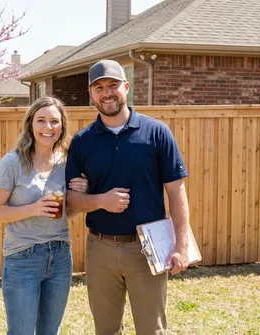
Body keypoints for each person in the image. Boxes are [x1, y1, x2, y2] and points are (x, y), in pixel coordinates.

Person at [65, 59, 190, 335]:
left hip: (146, 248)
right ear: (91, 94)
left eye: (112, 85)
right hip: (100, 250)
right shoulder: (82, 142)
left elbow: (176, 190)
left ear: (126, 87)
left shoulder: (156, 133)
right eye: (99, 88)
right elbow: (71, 201)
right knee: (106, 330)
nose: (106, 93)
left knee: (151, 329)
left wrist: (181, 245)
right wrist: (100, 201)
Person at [0, 97, 88, 335]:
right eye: (41, 120)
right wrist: (33, 208)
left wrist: (81, 195)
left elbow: (67, 212)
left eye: (54, 121)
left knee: (50, 331)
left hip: (61, 256)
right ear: (30, 124)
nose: (48, 127)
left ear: (62, 126)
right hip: (23, 257)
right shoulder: (12, 163)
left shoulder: (66, 163)